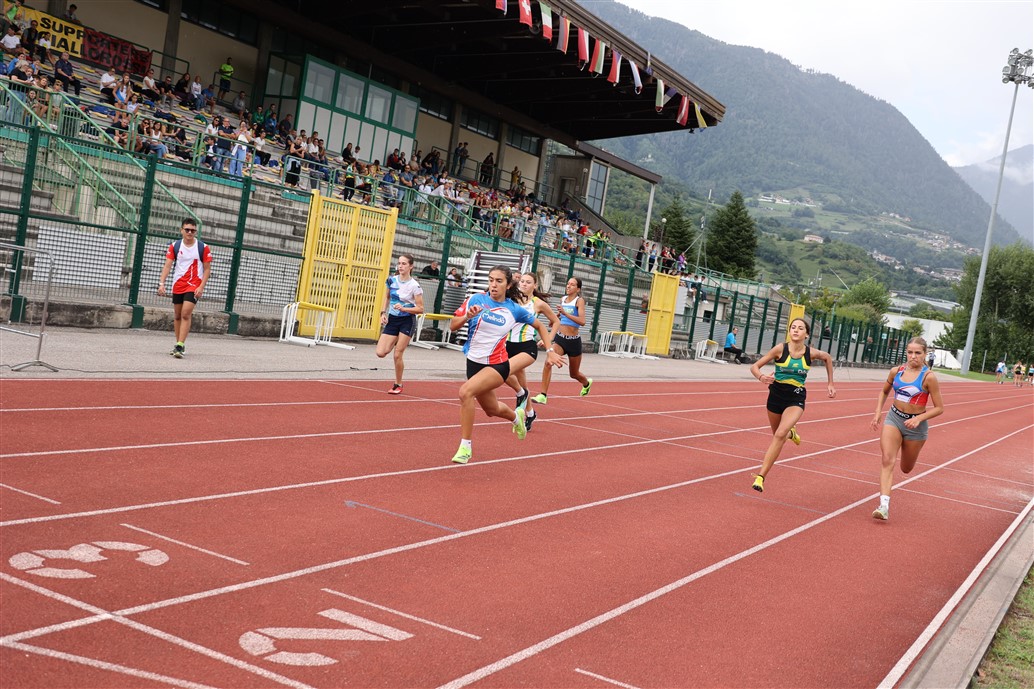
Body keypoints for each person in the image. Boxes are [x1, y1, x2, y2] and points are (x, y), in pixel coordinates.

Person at [449, 265, 563, 464]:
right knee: (491, 410)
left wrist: (550, 351)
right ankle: (517, 418)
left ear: (508, 285)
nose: (493, 284)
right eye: (491, 280)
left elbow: (540, 326)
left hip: (497, 364)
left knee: (465, 392)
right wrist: (467, 316)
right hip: (473, 363)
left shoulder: (514, 309)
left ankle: (465, 447)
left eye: (499, 281)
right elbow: (453, 325)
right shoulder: (476, 300)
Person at [748, 318, 836, 493]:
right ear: (789, 331)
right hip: (775, 395)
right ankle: (792, 433)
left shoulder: (810, 353)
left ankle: (761, 476)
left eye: (800, 328)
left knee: (779, 434)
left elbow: (827, 358)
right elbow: (755, 366)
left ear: (807, 334)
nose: (796, 330)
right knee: (779, 435)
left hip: (795, 397)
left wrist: (830, 383)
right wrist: (761, 377)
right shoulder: (780, 349)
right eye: (793, 327)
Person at [869, 337, 944, 521]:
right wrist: (878, 412)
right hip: (894, 418)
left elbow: (939, 408)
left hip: (915, 428)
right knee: (887, 459)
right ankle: (884, 506)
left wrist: (918, 418)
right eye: (910, 352)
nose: (913, 356)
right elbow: (884, 391)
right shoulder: (896, 371)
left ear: (925, 354)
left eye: (918, 353)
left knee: (906, 468)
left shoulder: (928, 377)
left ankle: (907, 456)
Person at [503, 271, 561, 432]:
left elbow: (555, 321)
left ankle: (520, 396)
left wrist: (548, 339)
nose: (524, 284)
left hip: (526, 347)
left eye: (528, 282)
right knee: (522, 385)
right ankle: (530, 413)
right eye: (522, 281)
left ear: (535, 285)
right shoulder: (511, 300)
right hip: (507, 345)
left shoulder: (538, 303)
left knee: (502, 371)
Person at [532, 276, 593, 404]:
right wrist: (555, 319)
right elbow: (559, 316)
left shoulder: (579, 301)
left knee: (574, 374)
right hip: (560, 339)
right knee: (548, 362)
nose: (568, 286)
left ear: (578, 289)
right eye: (568, 284)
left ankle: (586, 383)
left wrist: (565, 313)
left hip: (574, 341)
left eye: (572, 284)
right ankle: (543, 395)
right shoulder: (563, 299)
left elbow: (582, 321)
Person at [157, 219, 212, 358]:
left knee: (186, 313)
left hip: (194, 284)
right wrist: (162, 283)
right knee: (177, 315)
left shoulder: (203, 247)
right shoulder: (175, 246)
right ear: (181, 230)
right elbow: (167, 265)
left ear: (196, 232)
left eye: (192, 230)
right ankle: (179, 345)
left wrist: (201, 287)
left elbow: (207, 270)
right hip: (178, 284)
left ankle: (180, 344)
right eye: (187, 229)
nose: (189, 232)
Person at [377, 254, 424, 395]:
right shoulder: (391, 280)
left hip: (407, 320)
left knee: (397, 355)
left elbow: (420, 309)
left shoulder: (414, 286)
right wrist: (383, 313)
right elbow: (387, 297)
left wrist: (404, 309)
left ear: (411, 266)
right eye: (399, 263)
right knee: (381, 353)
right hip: (393, 319)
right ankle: (395, 339)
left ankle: (398, 384)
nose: (400, 266)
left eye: (404, 263)